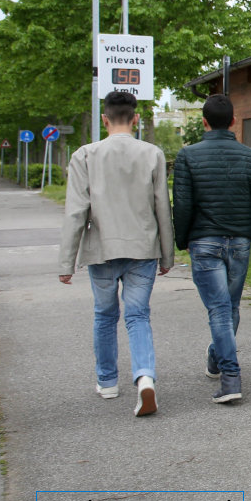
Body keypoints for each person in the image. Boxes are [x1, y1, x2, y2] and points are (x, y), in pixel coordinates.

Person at [58, 91, 173, 417]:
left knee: (105, 315)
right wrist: (167, 255)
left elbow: (76, 212)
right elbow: (161, 207)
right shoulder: (152, 153)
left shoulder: (85, 155)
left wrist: (67, 262)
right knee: (138, 316)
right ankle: (145, 378)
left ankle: (107, 382)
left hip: (103, 249)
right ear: (135, 119)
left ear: (105, 119)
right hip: (142, 248)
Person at [172, 94, 251, 404]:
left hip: (204, 242)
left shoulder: (187, 156)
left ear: (203, 122)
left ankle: (230, 377)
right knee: (230, 307)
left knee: (219, 310)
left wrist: (181, 238)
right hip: (239, 242)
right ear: (233, 122)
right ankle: (217, 359)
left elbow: (183, 204)